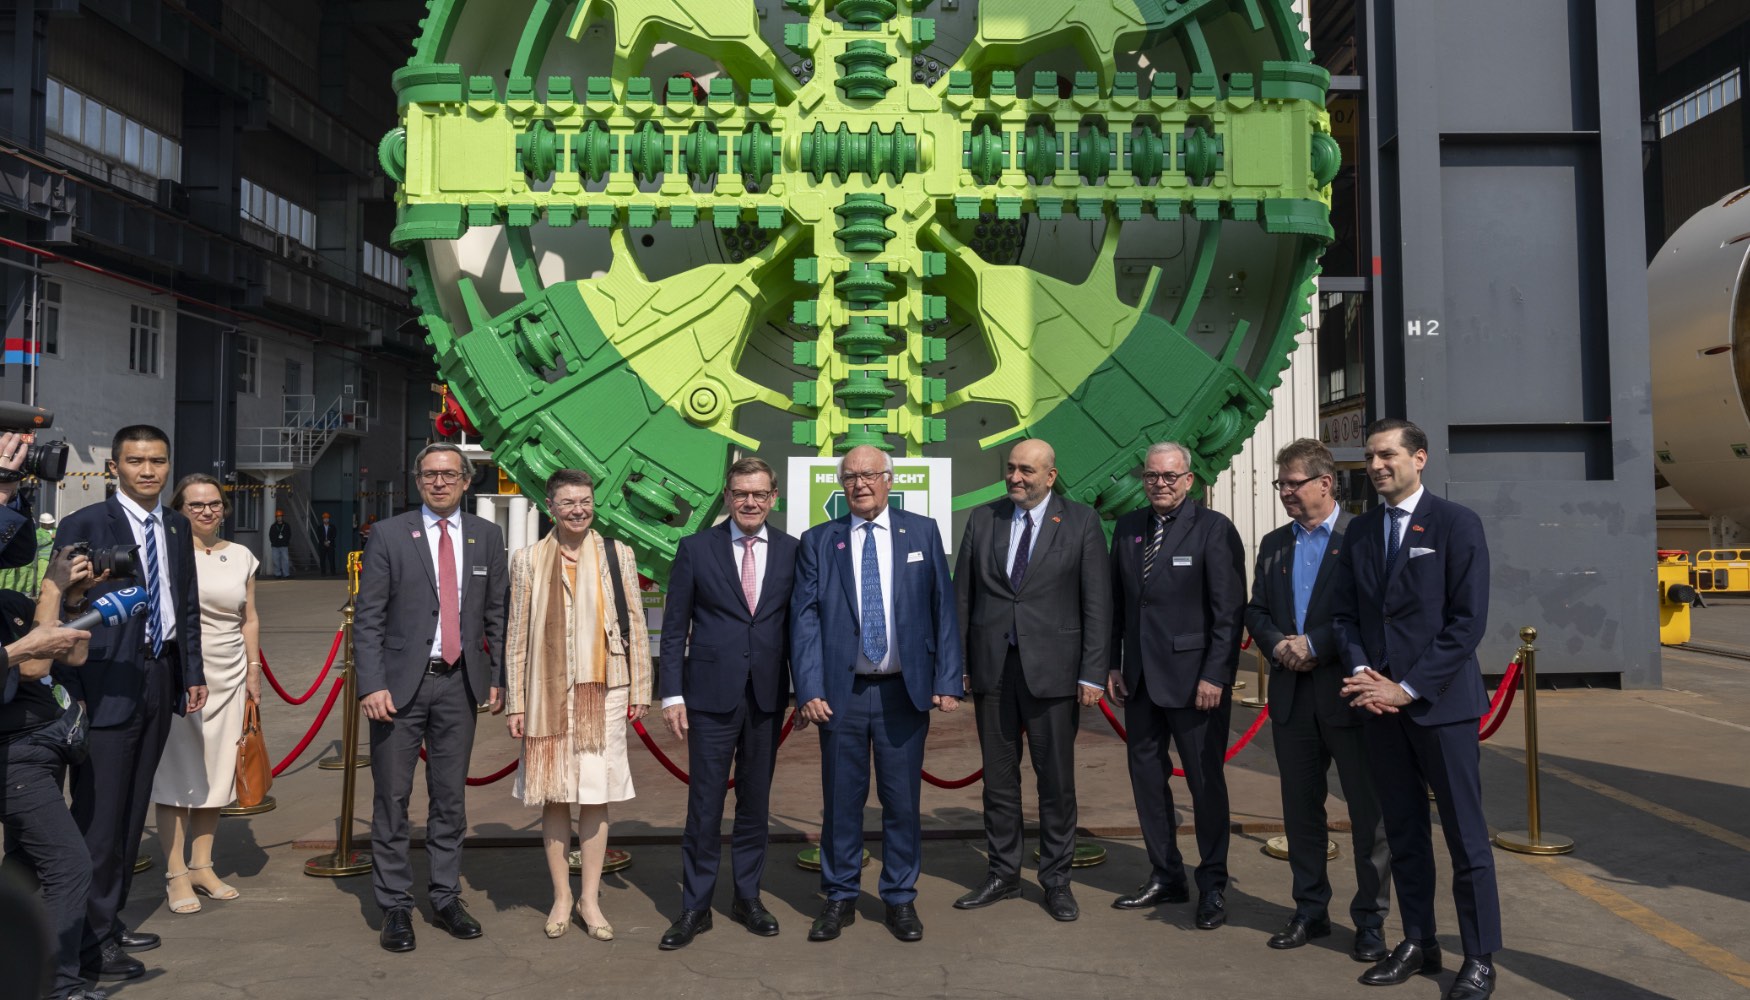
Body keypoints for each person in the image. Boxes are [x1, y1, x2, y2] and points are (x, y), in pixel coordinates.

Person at [1332, 419, 1500, 1000]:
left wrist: (1405, 688)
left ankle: (1478, 956)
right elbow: (1346, 615)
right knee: (1402, 832)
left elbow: (1466, 624)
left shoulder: (1457, 525)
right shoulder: (1360, 534)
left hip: (1440, 708)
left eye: (1388, 455)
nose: (1377, 465)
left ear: (1419, 458)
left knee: (1465, 838)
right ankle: (1419, 940)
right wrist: (1359, 673)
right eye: (1370, 457)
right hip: (1379, 709)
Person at [791, 444, 963, 944]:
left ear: (889, 479)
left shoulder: (922, 532)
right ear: (840, 484)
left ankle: (900, 898)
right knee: (841, 802)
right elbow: (803, 621)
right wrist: (809, 687)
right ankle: (840, 896)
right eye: (850, 477)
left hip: (903, 695)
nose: (860, 484)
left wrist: (948, 679)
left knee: (901, 802)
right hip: (840, 695)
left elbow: (942, 610)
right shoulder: (819, 540)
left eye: (869, 475)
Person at [55, 425, 205, 983]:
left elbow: (183, 604)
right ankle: (87, 942)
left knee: (133, 806)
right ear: (114, 466)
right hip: (105, 681)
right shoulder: (86, 525)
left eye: (158, 461)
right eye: (136, 461)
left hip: (158, 674)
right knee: (99, 815)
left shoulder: (173, 524)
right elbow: (64, 606)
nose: (148, 471)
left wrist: (191, 672)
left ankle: (108, 921)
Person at [354, 443, 506, 954]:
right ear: (417, 481)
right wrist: (371, 683)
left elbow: (496, 614)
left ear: (466, 481)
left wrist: (499, 676)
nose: (438, 482)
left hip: (458, 683)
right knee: (392, 799)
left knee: (450, 798)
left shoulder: (487, 536)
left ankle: (444, 896)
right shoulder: (390, 534)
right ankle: (396, 905)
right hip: (398, 688)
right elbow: (369, 615)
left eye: (448, 474)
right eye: (429, 475)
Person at [1244, 438, 1391, 961]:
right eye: (1280, 484)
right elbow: (1256, 611)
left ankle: (1370, 922)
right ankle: (1310, 910)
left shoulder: (1363, 537)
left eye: (1292, 483)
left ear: (1325, 484)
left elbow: (1373, 612)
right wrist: (1280, 645)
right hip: (1291, 698)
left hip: (1349, 695)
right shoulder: (1274, 543)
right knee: (1301, 813)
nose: (1284, 492)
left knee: (1367, 815)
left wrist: (1317, 643)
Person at [951, 438, 1109, 922]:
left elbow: (1097, 604)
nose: (1015, 478)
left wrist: (1092, 673)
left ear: (1050, 476)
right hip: (993, 671)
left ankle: (1056, 880)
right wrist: (956, 666)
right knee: (998, 782)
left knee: (1056, 782)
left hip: (1055, 674)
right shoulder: (984, 519)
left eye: (1026, 471)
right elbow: (964, 597)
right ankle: (1002, 873)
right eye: (1011, 469)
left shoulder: (1081, 522)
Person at [504, 469, 652, 942]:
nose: (578, 509)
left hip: (603, 688)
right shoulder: (527, 560)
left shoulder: (617, 554)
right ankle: (561, 896)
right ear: (551, 507)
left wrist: (640, 688)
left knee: (594, 791)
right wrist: (515, 701)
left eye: (585, 501)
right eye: (568, 502)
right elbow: (517, 635)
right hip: (544, 692)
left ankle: (589, 898)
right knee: (554, 791)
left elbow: (636, 622)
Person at [657, 458, 798, 950]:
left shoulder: (792, 551)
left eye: (759, 494)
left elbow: (800, 628)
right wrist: (671, 692)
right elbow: (675, 628)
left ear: (773, 497)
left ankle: (747, 896)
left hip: (767, 697)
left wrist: (803, 688)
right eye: (741, 493)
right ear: (727, 495)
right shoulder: (696, 549)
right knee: (704, 805)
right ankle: (695, 906)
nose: (750, 502)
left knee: (755, 804)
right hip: (709, 698)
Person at [1106, 441, 1245, 930]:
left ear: (1190, 481)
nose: (1159, 484)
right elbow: (1120, 606)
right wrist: (1114, 663)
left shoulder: (1213, 530)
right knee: (1147, 781)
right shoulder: (1127, 529)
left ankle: (1212, 885)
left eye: (1169, 476)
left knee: (1206, 787)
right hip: (1140, 682)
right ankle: (1166, 874)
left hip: (1194, 685)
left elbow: (1229, 613)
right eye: (1151, 476)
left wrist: (1215, 675)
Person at [150, 475, 262, 914]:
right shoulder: (167, 553)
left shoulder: (241, 556)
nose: (207, 511)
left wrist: (253, 670)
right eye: (195, 505)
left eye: (214, 504)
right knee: (176, 773)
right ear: (179, 509)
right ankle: (175, 873)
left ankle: (202, 864)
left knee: (217, 772)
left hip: (230, 674)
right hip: (181, 673)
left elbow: (248, 618)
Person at [267, 511, 291, 579]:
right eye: (277, 517)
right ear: (276, 518)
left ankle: (286, 574)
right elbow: (270, 535)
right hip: (275, 546)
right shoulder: (273, 526)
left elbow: (289, 534)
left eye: (280, 516)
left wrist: (286, 542)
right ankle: (277, 574)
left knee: (285, 561)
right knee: (275, 560)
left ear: (282, 517)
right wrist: (274, 542)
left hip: (284, 546)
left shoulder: (286, 525)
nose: (279, 518)